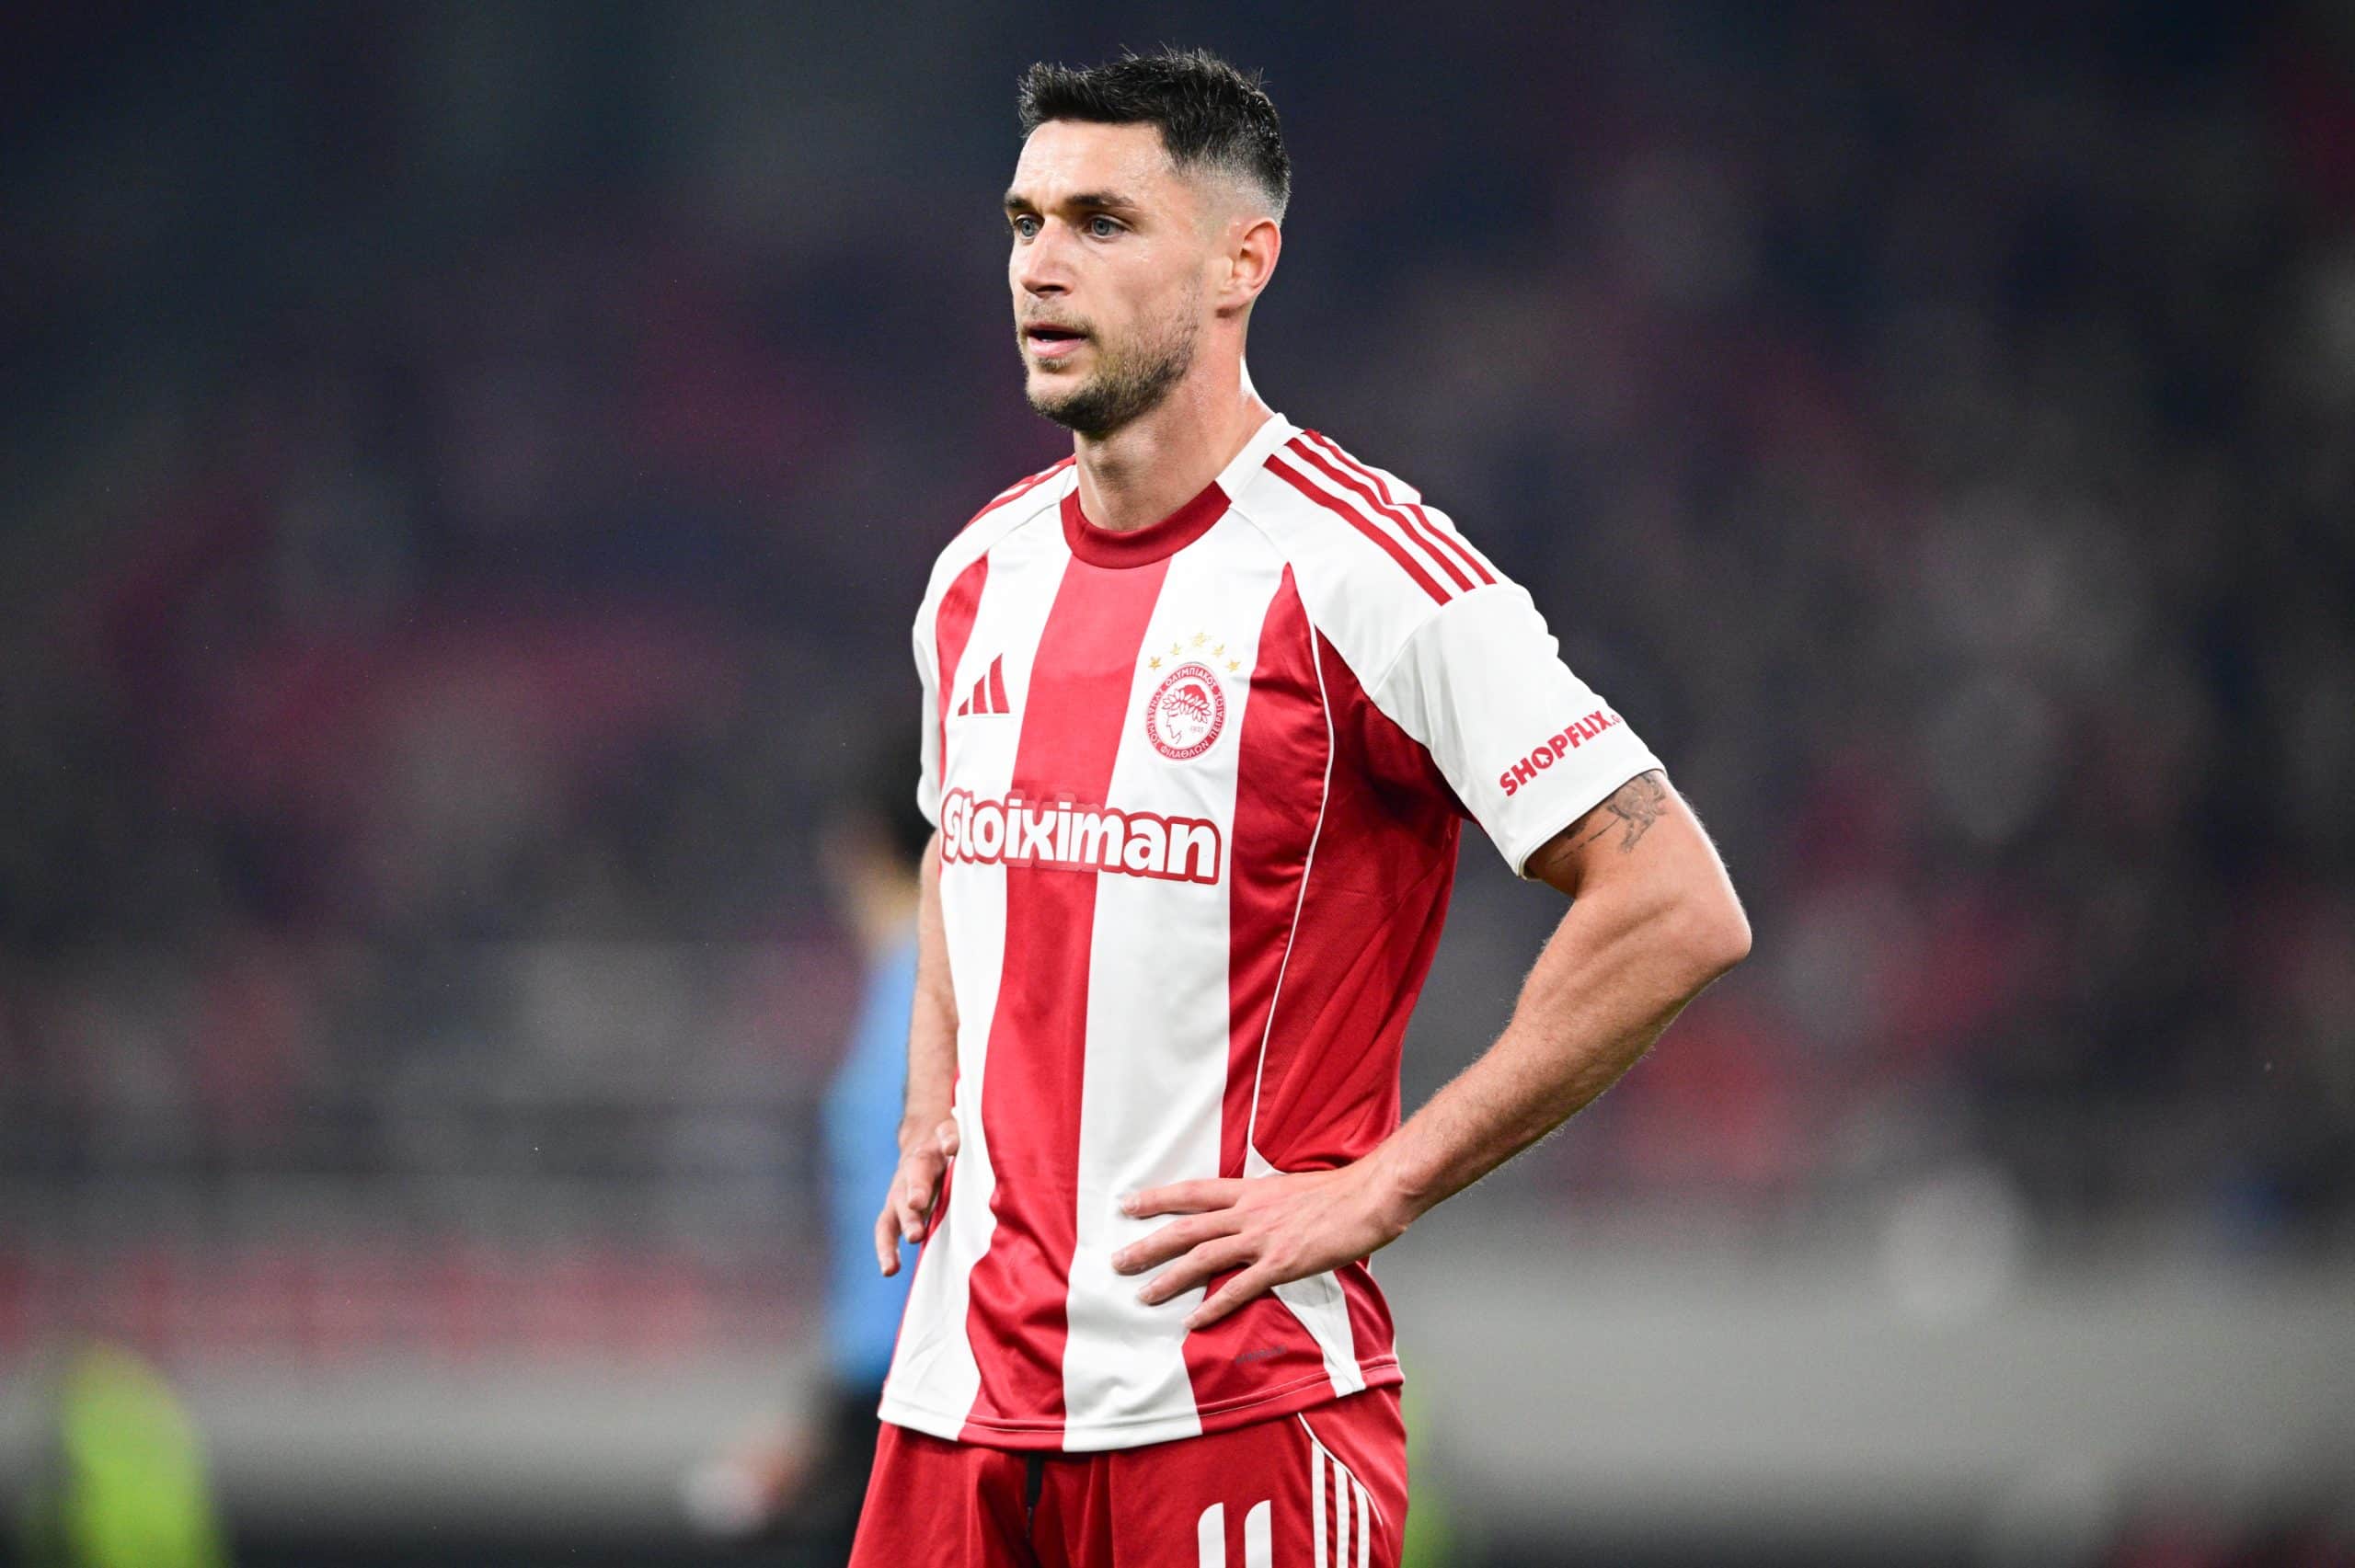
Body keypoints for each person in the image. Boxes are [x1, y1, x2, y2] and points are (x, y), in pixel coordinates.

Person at [850, 48, 1750, 1567]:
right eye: (1023, 222)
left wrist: (1382, 1189)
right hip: (953, 1411)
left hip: (1238, 1412)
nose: (1040, 265)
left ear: (1240, 263)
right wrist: (931, 1093)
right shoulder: (978, 574)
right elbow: (964, 843)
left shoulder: (1368, 573)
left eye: (1102, 222)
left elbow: (1675, 904)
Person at [684, 746, 925, 1560]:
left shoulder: (928, 994)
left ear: (856, 845)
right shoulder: (909, 985)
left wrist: (845, 1419)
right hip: (884, 1392)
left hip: (909, 1397)